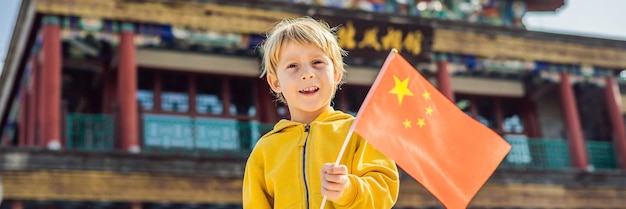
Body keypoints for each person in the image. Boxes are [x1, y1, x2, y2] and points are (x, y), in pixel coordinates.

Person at [243, 16, 399, 209]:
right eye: (292, 66)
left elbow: (384, 191)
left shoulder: (359, 132)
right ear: (275, 82)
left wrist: (348, 189)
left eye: (317, 62)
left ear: (336, 74)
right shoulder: (265, 150)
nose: (307, 73)